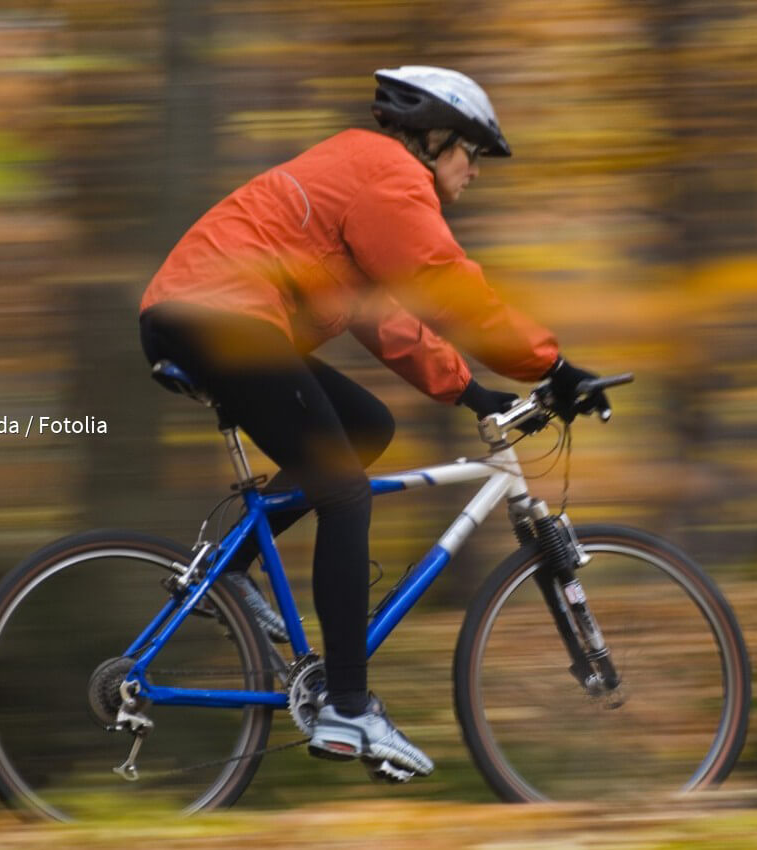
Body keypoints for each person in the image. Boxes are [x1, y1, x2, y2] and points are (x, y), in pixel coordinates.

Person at [137, 65, 608, 781]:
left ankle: (224, 574)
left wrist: (472, 394)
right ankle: (348, 708)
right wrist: (553, 366)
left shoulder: (361, 178)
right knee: (347, 492)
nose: (473, 173)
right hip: (223, 317)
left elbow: (388, 322)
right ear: (437, 137)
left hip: (207, 314)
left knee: (364, 425)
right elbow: (449, 289)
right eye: (471, 154)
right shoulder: (388, 176)